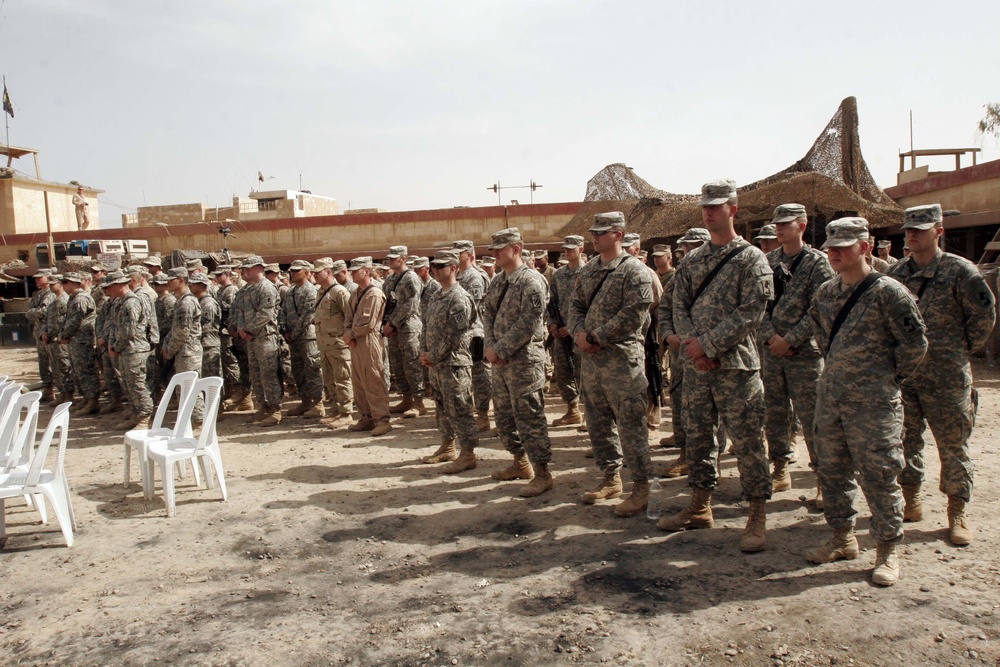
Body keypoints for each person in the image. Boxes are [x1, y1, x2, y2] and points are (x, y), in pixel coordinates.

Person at [805, 217, 927, 587]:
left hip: (874, 404)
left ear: (865, 247)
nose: (835, 254)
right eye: (831, 248)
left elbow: (916, 345)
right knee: (832, 470)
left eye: (844, 246)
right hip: (832, 398)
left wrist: (888, 379)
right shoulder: (826, 293)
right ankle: (843, 537)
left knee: (879, 474)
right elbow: (821, 338)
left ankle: (887, 549)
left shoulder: (890, 292)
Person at [658, 179, 774, 553]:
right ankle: (700, 505)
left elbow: (751, 312)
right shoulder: (693, 260)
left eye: (716, 206)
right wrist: (693, 347)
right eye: (705, 207)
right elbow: (679, 305)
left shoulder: (752, 258)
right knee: (698, 437)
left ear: (732, 210)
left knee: (748, 441)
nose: (709, 212)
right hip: (696, 368)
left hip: (735, 367)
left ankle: (756, 514)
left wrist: (706, 345)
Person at [886, 204, 996, 546]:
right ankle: (911, 499)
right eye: (908, 229)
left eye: (921, 227)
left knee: (953, 445)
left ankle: (957, 511)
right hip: (906, 375)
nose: (912, 233)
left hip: (948, 376)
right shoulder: (896, 274)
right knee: (905, 440)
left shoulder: (961, 271)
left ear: (939, 230)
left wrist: (958, 351)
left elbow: (983, 317)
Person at [571, 213, 655, 516]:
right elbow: (576, 305)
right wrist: (580, 333)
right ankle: (610, 477)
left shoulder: (635, 271)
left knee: (631, 426)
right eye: (593, 232)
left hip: (621, 360)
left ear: (618, 234)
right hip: (592, 362)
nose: (594, 237)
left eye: (601, 232)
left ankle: (642, 487)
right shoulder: (590, 268)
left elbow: (635, 313)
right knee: (597, 422)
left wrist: (596, 336)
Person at [758, 204, 835, 504]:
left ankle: (823, 476)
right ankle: (780, 468)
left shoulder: (818, 264)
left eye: (786, 224)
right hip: (772, 352)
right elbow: (759, 305)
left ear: (801, 226)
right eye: (776, 223)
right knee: (774, 413)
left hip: (803, 354)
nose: (779, 228)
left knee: (813, 417)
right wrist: (769, 337)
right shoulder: (768, 261)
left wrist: (791, 340)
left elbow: (820, 309)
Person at [483, 227, 554, 497]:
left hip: (524, 361)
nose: (495, 254)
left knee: (529, 417)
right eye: (494, 249)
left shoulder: (531, 281)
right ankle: (520, 462)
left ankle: (543, 473)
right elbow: (487, 314)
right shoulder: (499, 281)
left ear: (516, 249)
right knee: (503, 416)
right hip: (499, 361)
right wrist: (491, 346)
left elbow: (530, 322)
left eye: (500, 249)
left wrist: (500, 348)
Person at [419, 250, 480, 473]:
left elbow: (457, 334)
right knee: (442, 408)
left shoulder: (459, 297)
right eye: (433, 266)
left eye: (441, 266)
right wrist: (425, 352)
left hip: (454, 363)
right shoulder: (437, 295)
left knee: (460, 408)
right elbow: (426, 325)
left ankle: (468, 453)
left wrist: (434, 355)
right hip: (436, 364)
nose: (435, 269)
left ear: (453, 268)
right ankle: (447, 446)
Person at [658, 228, 711, 474]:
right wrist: (668, 334)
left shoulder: (722, 273)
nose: (689, 251)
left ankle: (712, 461)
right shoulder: (681, 277)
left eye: (696, 245)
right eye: (687, 247)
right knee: (682, 403)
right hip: (683, 355)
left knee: (713, 411)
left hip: (713, 353)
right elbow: (665, 309)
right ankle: (685, 453)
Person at [344, 257, 392, 436]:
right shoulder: (356, 293)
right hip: (355, 340)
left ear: (366, 271)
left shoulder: (374, 294)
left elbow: (368, 323)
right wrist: (348, 332)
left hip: (368, 340)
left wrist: (350, 333)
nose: (352, 273)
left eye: (356, 270)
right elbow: (348, 316)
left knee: (373, 379)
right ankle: (367, 416)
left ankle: (382, 419)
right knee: (358, 380)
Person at [106, 270, 155, 431]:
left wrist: (116, 346)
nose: (108, 290)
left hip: (135, 350)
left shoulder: (131, 302)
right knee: (129, 384)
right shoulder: (121, 302)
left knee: (138, 384)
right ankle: (136, 414)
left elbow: (129, 330)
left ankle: (145, 417)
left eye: (111, 286)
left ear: (120, 284)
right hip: (126, 350)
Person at [238, 256, 283, 427]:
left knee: (269, 375)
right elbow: (241, 312)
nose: (244, 271)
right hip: (251, 339)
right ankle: (263, 407)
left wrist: (249, 329)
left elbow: (266, 314)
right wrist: (242, 329)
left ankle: (276, 409)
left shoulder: (267, 288)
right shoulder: (248, 290)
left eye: (248, 268)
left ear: (259, 268)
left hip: (265, 337)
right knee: (256, 375)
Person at [547, 235, 586, 427]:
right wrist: (552, 323)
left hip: (580, 332)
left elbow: (590, 306)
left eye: (572, 248)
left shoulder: (588, 272)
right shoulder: (558, 274)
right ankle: (572, 410)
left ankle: (589, 414)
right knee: (562, 372)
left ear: (581, 249)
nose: (567, 251)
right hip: (560, 332)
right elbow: (552, 302)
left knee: (584, 373)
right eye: (566, 248)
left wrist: (572, 328)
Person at [383, 246, 426, 418]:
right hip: (394, 328)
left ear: (403, 259)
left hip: (408, 327)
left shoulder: (410, 278)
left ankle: (419, 402)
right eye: (390, 258)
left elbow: (411, 305)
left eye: (394, 258)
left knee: (412, 364)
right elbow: (387, 303)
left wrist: (392, 324)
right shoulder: (391, 279)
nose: (390, 261)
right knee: (398, 365)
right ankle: (406, 399)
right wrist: (387, 324)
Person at [454, 240, 492, 431]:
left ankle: (483, 415)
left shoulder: (473, 278)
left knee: (480, 375)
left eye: (459, 253)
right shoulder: (458, 276)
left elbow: (472, 309)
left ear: (469, 254)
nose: (455, 255)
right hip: (463, 334)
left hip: (476, 333)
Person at [313, 258, 355, 429]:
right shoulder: (321, 292)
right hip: (325, 344)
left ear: (328, 272)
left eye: (318, 272)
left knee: (343, 379)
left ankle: (346, 413)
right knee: (329, 380)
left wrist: (348, 337)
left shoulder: (339, 292)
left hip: (338, 344)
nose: (314, 275)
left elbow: (350, 316)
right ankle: (336, 410)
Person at [282, 260, 325, 419]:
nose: (293, 274)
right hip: (294, 337)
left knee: (312, 369)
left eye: (297, 271)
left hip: (307, 337)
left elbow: (308, 315)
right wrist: (286, 330)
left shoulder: (311, 291)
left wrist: (294, 333)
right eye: (292, 271)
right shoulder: (290, 292)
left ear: (307, 273)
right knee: (298, 370)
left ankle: (318, 402)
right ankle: (305, 401)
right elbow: (284, 312)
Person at [162, 268, 204, 423]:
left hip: (188, 351)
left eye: (170, 280)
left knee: (191, 387)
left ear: (180, 280)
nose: (167, 283)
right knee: (183, 387)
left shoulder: (186, 302)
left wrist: (170, 350)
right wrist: (167, 345)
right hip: (182, 350)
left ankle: (199, 422)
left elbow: (182, 331)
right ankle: (187, 422)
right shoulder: (180, 300)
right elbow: (174, 328)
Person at [58, 272, 99, 415]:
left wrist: (64, 335)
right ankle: (87, 398)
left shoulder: (80, 298)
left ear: (75, 283)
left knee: (86, 370)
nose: (63, 285)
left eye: (66, 282)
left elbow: (75, 321)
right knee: (78, 371)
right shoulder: (73, 298)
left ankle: (93, 400)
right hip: (76, 341)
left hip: (83, 340)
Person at [41, 275, 74, 406]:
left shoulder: (66, 300)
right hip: (52, 340)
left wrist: (54, 334)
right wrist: (44, 333)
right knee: (56, 368)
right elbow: (47, 319)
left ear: (60, 284)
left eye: (53, 284)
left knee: (64, 367)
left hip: (60, 340)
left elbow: (65, 322)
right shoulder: (54, 301)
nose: (50, 286)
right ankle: (62, 393)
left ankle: (69, 395)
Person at [213, 266, 243, 402]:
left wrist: (231, 326)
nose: (217, 278)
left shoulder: (231, 290)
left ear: (226, 274)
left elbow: (232, 311)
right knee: (225, 362)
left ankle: (238, 391)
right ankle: (230, 390)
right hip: (221, 330)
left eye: (220, 275)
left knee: (231, 361)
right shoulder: (221, 290)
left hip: (228, 331)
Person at [27, 269, 56, 401]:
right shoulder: (38, 294)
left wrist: (32, 312)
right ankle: (48, 390)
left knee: (54, 363)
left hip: (48, 333)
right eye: (36, 278)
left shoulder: (51, 294)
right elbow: (31, 310)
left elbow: (42, 311)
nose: (37, 280)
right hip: (39, 333)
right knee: (43, 363)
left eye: (40, 278)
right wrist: (33, 312)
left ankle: (58, 391)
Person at [190, 272, 222, 380]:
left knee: (211, 378)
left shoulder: (208, 303)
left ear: (201, 285)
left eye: (193, 284)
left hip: (209, 345)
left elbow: (206, 327)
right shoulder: (199, 301)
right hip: (202, 344)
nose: (191, 286)